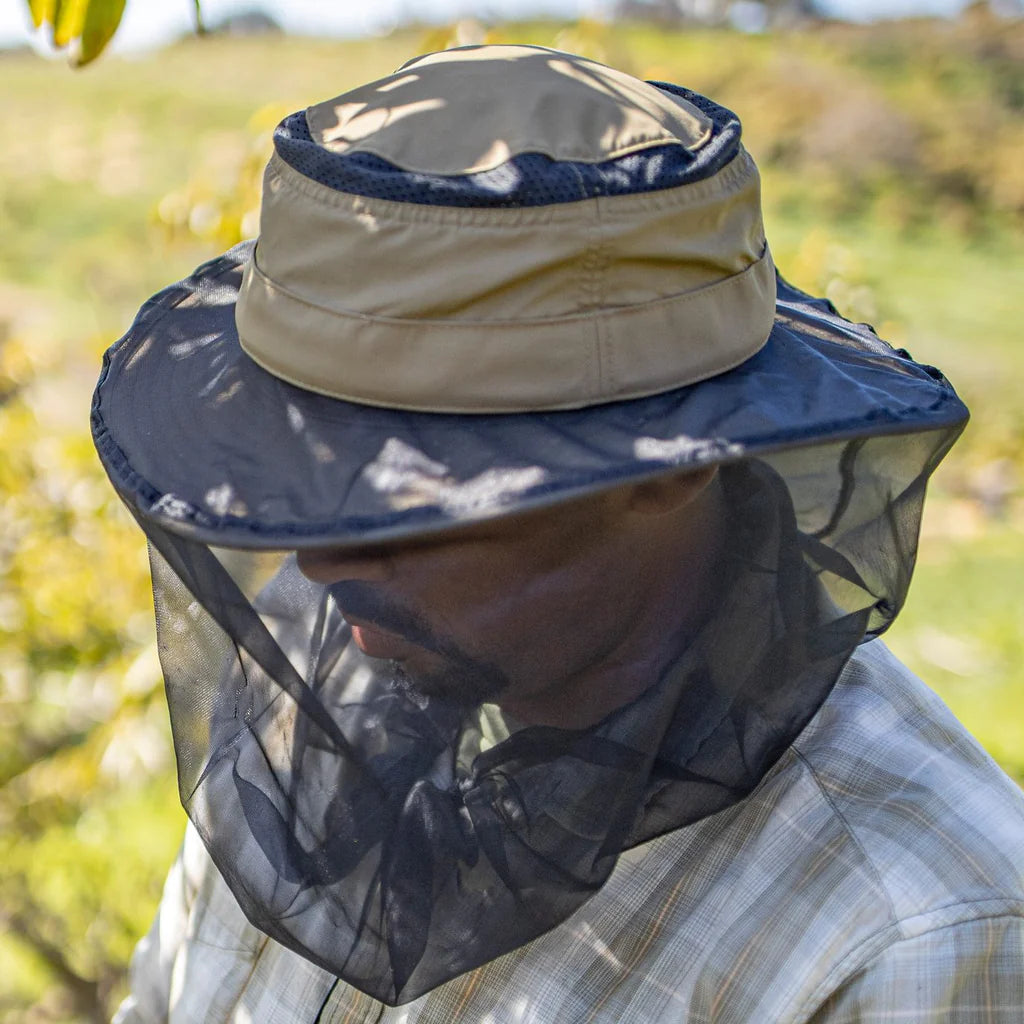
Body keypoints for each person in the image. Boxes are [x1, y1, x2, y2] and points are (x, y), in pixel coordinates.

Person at [92, 45, 1024, 1023]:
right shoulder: (320, 721)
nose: (322, 560)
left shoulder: (919, 938)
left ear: (675, 461)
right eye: (310, 470)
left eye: (415, 487)